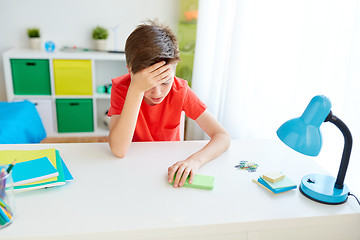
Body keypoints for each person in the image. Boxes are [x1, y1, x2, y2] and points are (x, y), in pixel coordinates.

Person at [108, 20, 230, 188]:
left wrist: (194, 161)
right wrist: (136, 90)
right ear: (130, 70)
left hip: (169, 169)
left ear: (174, 69)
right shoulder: (123, 88)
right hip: (133, 168)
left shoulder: (181, 90)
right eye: (148, 85)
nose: (157, 93)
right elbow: (119, 150)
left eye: (165, 82)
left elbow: (222, 136)